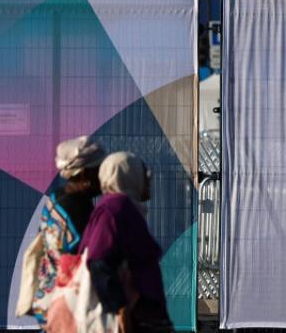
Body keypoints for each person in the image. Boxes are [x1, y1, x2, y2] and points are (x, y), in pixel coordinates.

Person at [80, 152, 173, 333]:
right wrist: (119, 309)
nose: (148, 179)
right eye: (143, 172)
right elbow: (99, 259)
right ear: (128, 176)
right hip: (136, 314)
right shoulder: (115, 208)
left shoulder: (124, 208)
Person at [19, 136, 107, 322]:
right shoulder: (78, 209)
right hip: (68, 308)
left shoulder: (56, 198)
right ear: (83, 174)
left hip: (49, 299)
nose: (104, 175)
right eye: (99, 169)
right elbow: (87, 260)